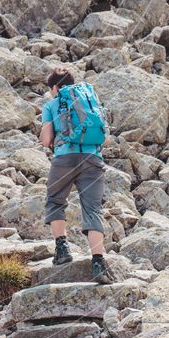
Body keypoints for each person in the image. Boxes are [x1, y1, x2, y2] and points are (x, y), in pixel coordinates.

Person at [40, 67, 114, 283]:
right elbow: (105, 138)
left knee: (55, 201)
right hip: (92, 159)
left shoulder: (51, 104)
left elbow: (46, 140)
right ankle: (98, 262)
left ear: (55, 88)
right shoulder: (89, 100)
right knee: (93, 209)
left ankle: (62, 249)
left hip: (64, 159)